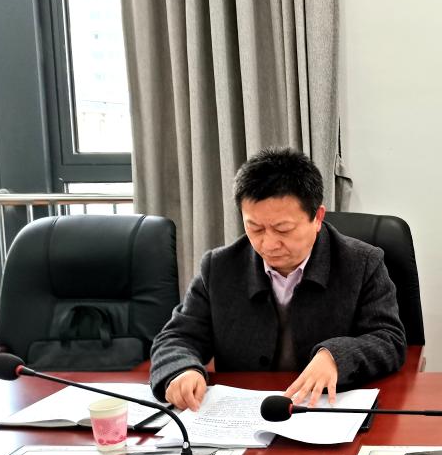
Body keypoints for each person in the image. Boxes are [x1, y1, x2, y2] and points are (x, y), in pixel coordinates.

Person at [149, 148, 406, 410]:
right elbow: (177, 337)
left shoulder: (362, 263)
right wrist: (181, 370)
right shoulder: (219, 268)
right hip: (244, 414)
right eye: (255, 228)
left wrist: (336, 357)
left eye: (283, 229)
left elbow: (389, 339)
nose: (268, 244)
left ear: (317, 218)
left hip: (326, 409)